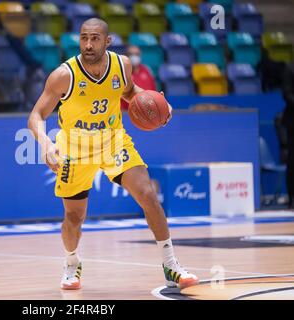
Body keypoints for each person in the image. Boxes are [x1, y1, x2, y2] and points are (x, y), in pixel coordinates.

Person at [27, 18, 199, 290]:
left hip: (113, 141)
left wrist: (158, 105)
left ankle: (171, 265)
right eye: (84, 38)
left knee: (148, 195)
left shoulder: (122, 65)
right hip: (75, 147)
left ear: (107, 41)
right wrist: (46, 144)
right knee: (74, 218)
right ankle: (72, 263)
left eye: (95, 38)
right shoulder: (64, 75)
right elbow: (36, 115)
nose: (88, 44)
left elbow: (129, 92)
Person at [120, 45, 157, 111]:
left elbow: (153, 91)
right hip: (126, 113)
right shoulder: (122, 72)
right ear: (126, 56)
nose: (134, 57)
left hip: (146, 112)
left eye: (137, 54)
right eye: (131, 54)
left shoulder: (147, 70)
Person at [282, 62, 294, 209]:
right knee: (293, 160)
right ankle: (292, 197)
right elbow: (287, 94)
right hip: (293, 122)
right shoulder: (289, 68)